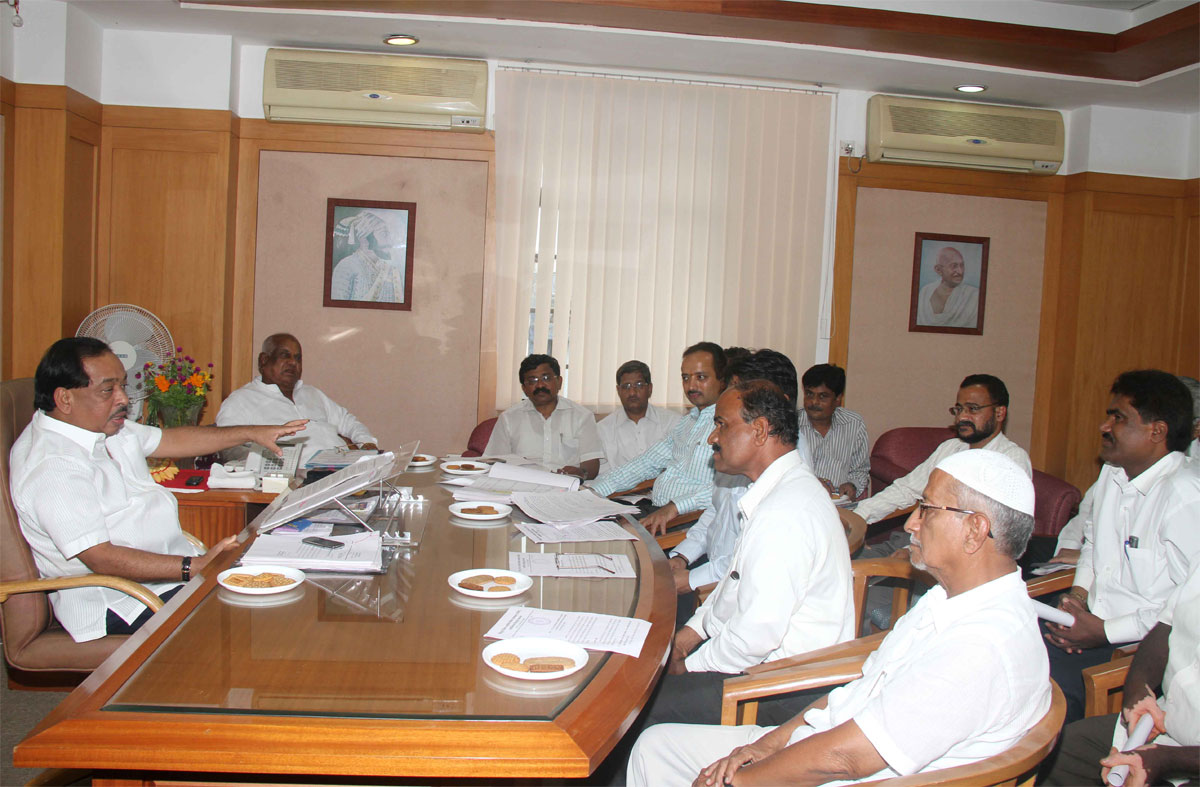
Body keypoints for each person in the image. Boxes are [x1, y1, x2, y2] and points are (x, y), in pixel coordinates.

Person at [628, 450, 1049, 787]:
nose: (912, 523)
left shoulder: (982, 644)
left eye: (927, 509)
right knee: (654, 747)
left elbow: (846, 758)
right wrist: (770, 743)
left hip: (850, 770)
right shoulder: (950, 598)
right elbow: (861, 688)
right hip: (829, 744)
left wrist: (743, 780)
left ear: (975, 530)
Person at [612, 380, 853, 782]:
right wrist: (689, 634)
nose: (712, 436)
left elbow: (753, 640)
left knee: (632, 711)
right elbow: (732, 586)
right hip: (758, 662)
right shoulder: (776, 492)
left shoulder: (786, 513)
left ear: (758, 431)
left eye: (722, 425)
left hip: (780, 685)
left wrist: (688, 665)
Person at [9, 337, 307, 643]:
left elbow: (172, 441)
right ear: (65, 399)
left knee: (284, 583)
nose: (123, 399)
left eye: (122, 386)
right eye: (108, 390)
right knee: (260, 617)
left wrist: (251, 432)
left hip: (165, 577)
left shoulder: (100, 426)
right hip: (122, 600)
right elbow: (101, 558)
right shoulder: (53, 464)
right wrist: (196, 567)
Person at [1043, 369, 1200, 724]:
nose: (1105, 426)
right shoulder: (1113, 473)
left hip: (1138, 650)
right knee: (996, 649)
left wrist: (1103, 632)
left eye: (1118, 417)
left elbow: (1186, 611)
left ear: (1156, 432)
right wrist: (1078, 597)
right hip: (1088, 625)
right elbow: (1094, 543)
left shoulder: (1186, 497)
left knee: (1039, 695)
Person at [667, 349, 812, 611]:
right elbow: (716, 510)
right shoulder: (737, 452)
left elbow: (746, 567)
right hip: (711, 567)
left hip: (732, 589)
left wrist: (691, 580)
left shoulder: (787, 480)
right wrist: (683, 555)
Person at [1042, 563, 1200, 786]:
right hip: (1166, 722)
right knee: (1060, 753)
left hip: (1189, 759)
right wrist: (1137, 691)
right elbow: (1164, 628)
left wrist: (1167, 759)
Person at [857, 374, 1031, 557]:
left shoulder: (1010, 461)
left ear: (999, 413)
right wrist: (858, 517)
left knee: (855, 576)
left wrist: (911, 553)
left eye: (973, 409)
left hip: (954, 559)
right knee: (840, 560)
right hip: (912, 540)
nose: (962, 417)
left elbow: (992, 532)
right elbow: (905, 490)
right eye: (959, 409)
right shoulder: (950, 448)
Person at [589, 342, 727, 535]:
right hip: (657, 510)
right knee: (590, 522)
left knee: (606, 537)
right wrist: (592, 492)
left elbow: (728, 490)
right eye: (685, 378)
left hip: (689, 522)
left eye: (701, 377)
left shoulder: (729, 425)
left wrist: (675, 507)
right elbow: (645, 463)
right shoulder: (687, 422)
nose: (691, 385)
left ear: (722, 380)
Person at [216, 333, 378, 466]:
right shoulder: (241, 400)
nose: (293, 362)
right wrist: (277, 468)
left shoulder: (312, 393)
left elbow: (348, 422)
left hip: (344, 470)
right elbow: (227, 446)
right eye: (285, 356)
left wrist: (366, 444)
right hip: (297, 482)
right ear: (264, 360)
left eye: (298, 358)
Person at [484, 353, 604, 479]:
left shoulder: (582, 416)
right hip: (522, 485)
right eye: (532, 381)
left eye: (546, 378)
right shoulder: (508, 418)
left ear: (559, 382)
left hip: (566, 486)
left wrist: (581, 472)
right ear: (524, 388)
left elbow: (591, 465)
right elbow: (494, 462)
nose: (540, 385)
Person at [798, 363, 870, 500]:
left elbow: (860, 470)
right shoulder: (791, 425)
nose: (813, 402)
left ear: (838, 399)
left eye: (823, 396)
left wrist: (852, 485)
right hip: (801, 499)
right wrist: (811, 482)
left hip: (839, 502)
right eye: (809, 394)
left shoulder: (854, 424)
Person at [596, 360, 681, 469]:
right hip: (621, 486)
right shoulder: (602, 430)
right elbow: (602, 476)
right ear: (618, 391)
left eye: (639, 385)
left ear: (649, 388)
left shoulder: (674, 423)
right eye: (626, 386)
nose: (632, 392)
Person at [329, 210, 406, 303]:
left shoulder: (392, 269)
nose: (390, 241)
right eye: (384, 234)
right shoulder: (346, 267)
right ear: (365, 237)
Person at [915, 246, 979, 329]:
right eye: (954, 266)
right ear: (938, 270)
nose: (960, 271)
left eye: (962, 265)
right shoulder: (925, 292)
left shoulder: (974, 295)